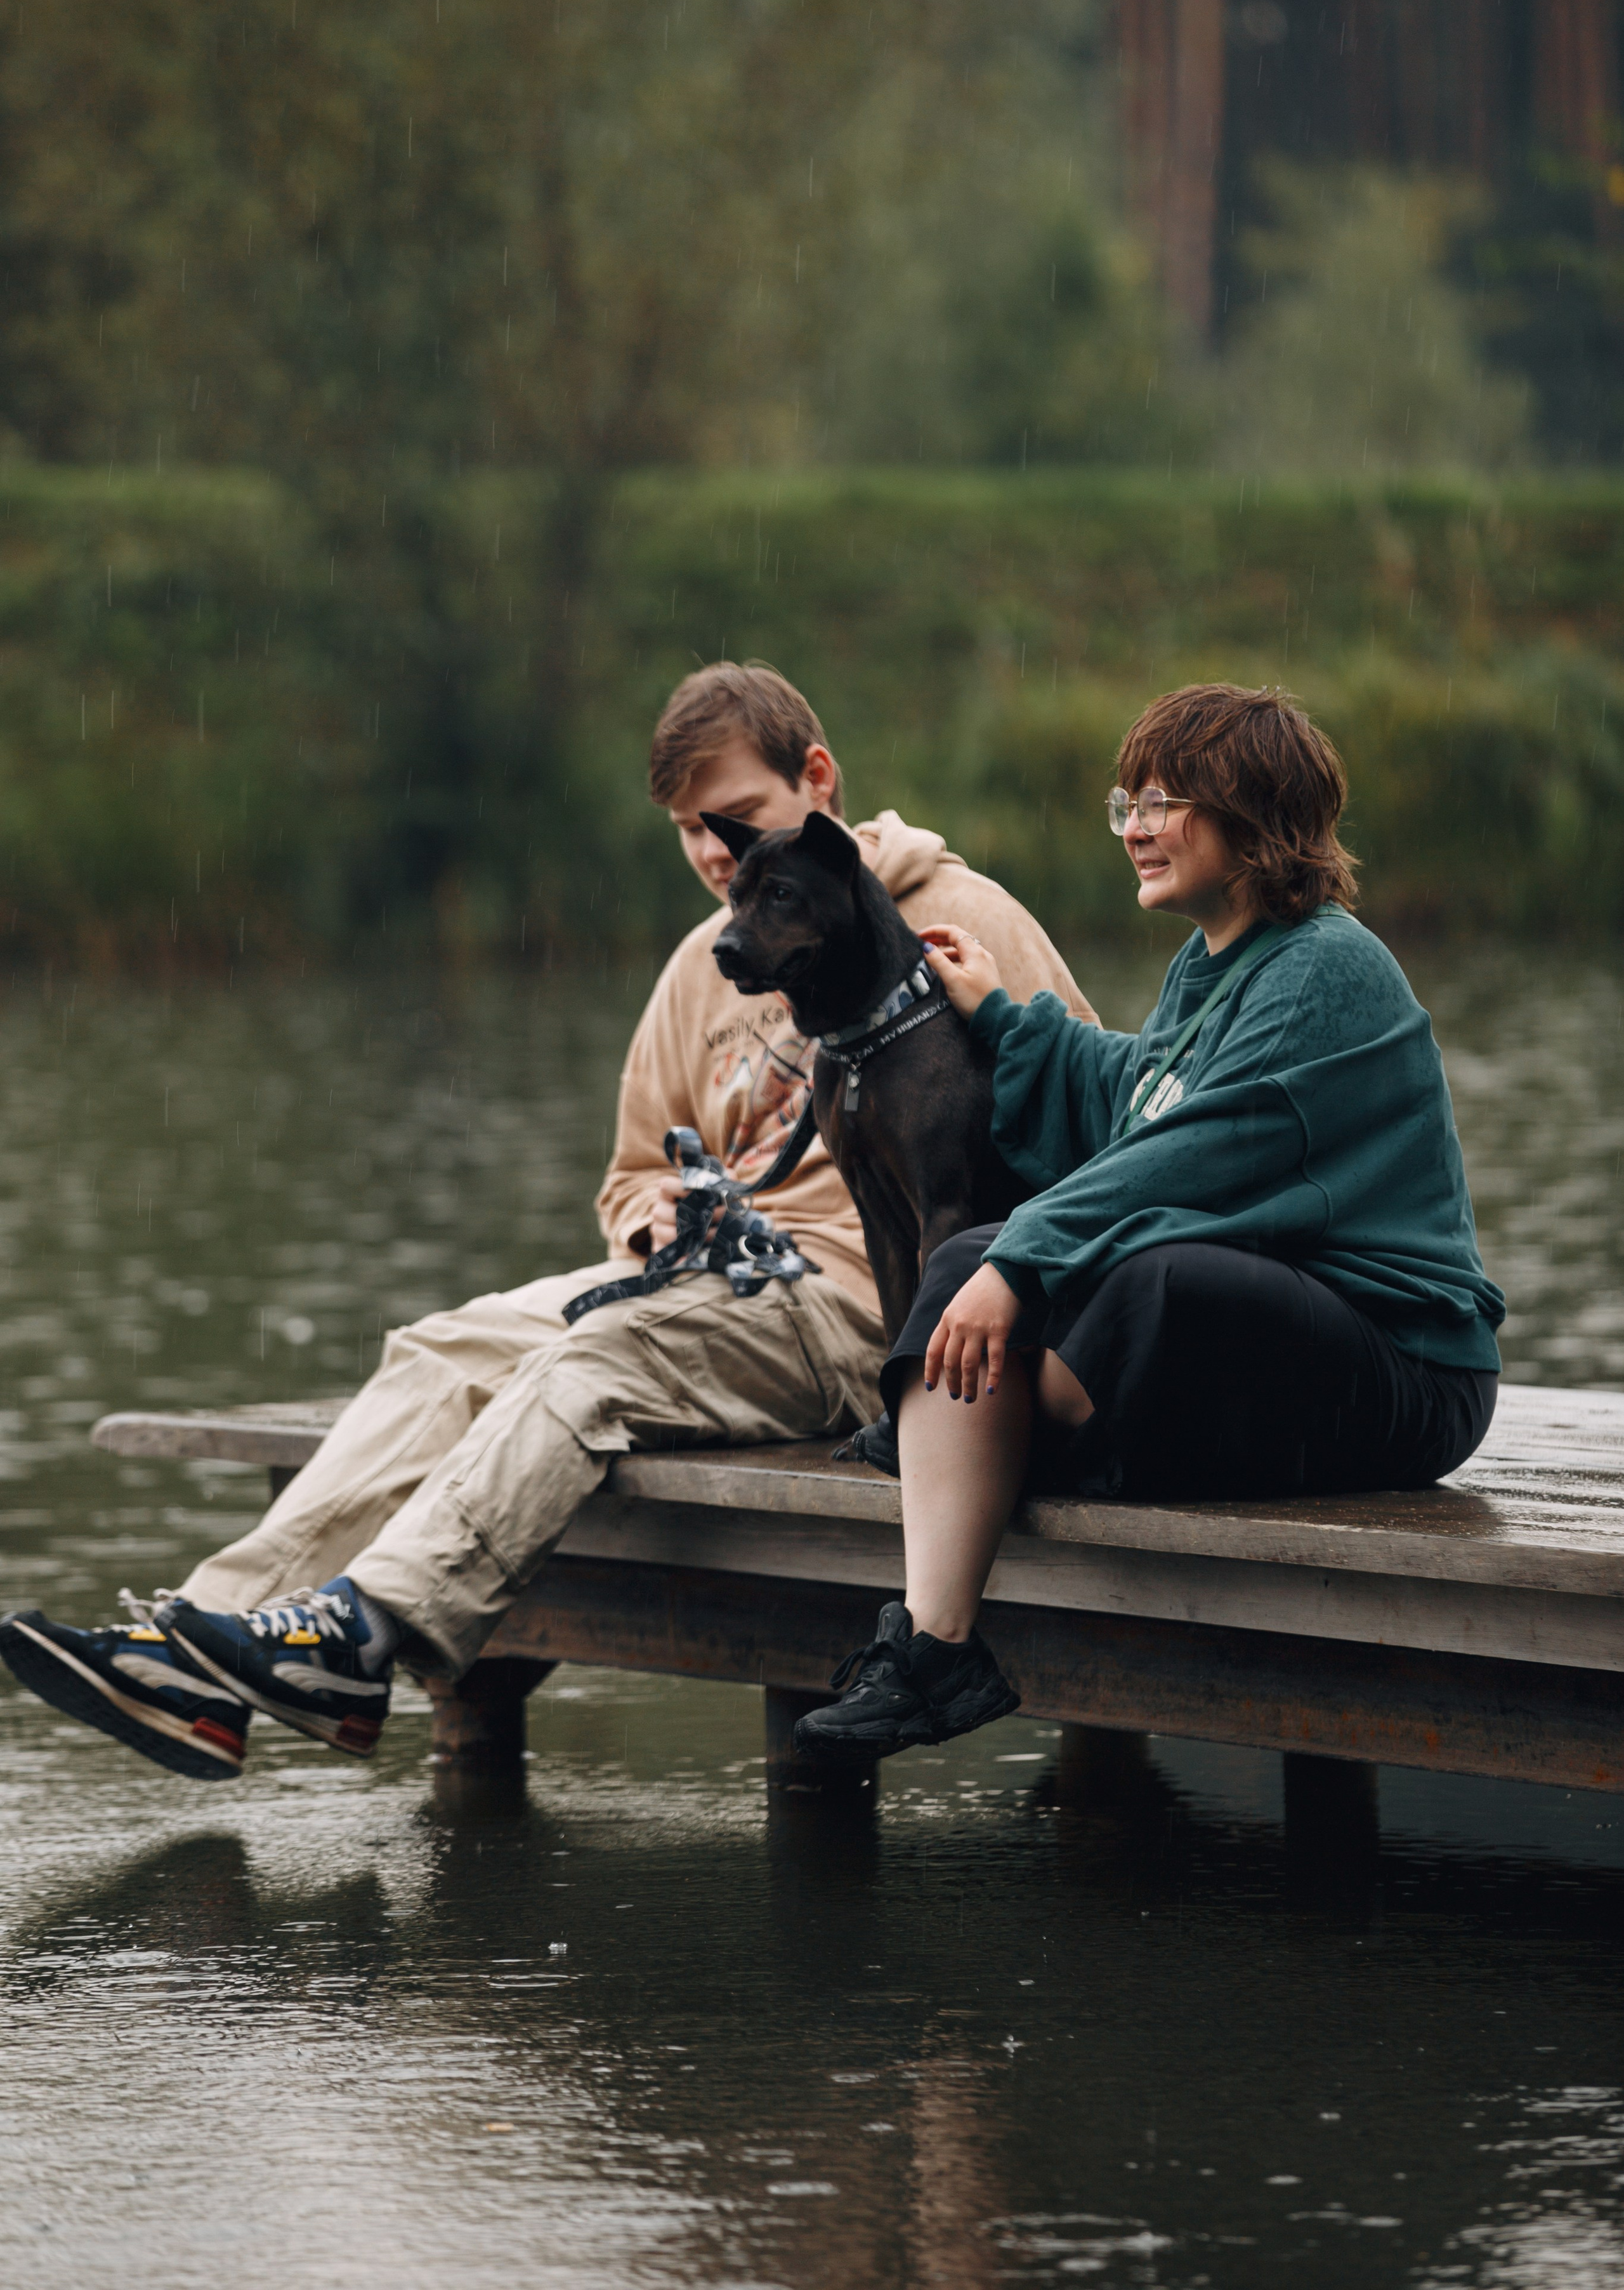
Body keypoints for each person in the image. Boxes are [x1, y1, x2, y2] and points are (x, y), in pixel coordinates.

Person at [0, 662, 1090, 1779]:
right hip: (701, 1284)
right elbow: (627, 1172)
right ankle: (205, 1639)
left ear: (818, 780)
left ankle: (360, 1633)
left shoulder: (966, 914)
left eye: (742, 821)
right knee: (443, 1349)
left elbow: (1089, 1114)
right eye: (689, 834)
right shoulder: (703, 964)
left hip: (862, 1313)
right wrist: (658, 1210)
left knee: (597, 1358)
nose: (717, 858)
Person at [796, 681, 1506, 1765]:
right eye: (1126, 799)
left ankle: (985, 1433)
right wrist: (1008, 1021)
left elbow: (1196, 1154)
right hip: (1271, 1344)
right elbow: (1146, 1096)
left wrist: (1029, 1263)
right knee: (965, 1259)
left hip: (1405, 1368)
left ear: (1256, 817)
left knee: (1147, 1281)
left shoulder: (1333, 969)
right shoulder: (1213, 962)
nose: (1133, 826)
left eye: (1164, 801)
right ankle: (935, 1650)